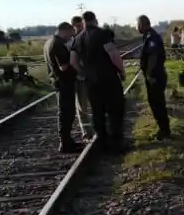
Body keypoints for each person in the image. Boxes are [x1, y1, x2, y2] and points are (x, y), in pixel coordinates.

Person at [69, 11, 127, 153]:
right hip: (108, 78)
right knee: (114, 110)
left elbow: (73, 62)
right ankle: (116, 143)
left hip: (91, 82)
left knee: (97, 111)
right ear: (95, 20)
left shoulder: (78, 38)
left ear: (83, 22)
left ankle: (102, 142)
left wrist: (84, 72)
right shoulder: (103, 34)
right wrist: (122, 71)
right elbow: (113, 54)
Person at [45, 22, 82, 152]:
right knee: (66, 113)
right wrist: (74, 57)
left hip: (58, 81)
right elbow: (64, 66)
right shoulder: (58, 44)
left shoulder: (49, 42)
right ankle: (65, 143)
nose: (71, 37)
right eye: (71, 33)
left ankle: (68, 141)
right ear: (65, 30)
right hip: (64, 82)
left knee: (65, 112)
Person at [137, 15, 171, 140]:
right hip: (153, 76)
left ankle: (164, 131)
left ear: (142, 25)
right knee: (155, 103)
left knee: (158, 104)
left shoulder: (152, 37)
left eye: (138, 24)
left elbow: (154, 58)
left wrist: (150, 75)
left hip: (155, 76)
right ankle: (163, 129)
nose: (137, 27)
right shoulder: (148, 36)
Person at [67, 15, 92, 139]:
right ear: (73, 28)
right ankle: (86, 131)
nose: (80, 28)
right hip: (79, 78)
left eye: (81, 26)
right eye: (77, 26)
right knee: (82, 106)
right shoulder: (70, 43)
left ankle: (97, 126)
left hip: (91, 76)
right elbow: (71, 62)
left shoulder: (89, 38)